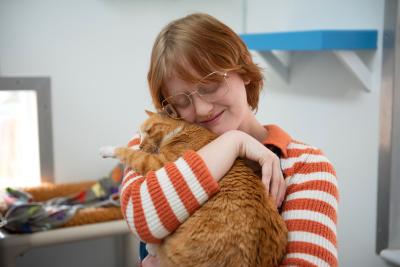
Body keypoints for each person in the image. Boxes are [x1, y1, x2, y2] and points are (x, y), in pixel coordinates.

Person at [119, 13, 338, 267]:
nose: (201, 109)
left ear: (243, 71)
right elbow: (142, 219)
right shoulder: (153, 141)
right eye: (181, 101)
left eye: (211, 85)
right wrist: (233, 142)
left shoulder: (305, 167)